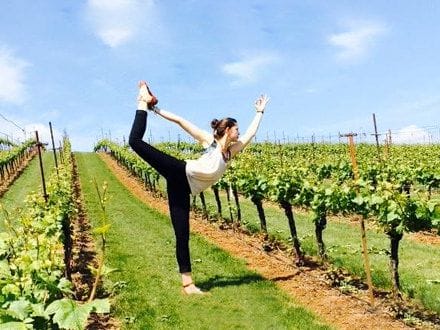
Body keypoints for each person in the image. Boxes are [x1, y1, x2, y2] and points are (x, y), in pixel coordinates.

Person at [129, 81, 269, 294]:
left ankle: (188, 285)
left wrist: (259, 112)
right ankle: (142, 101)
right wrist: (154, 108)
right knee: (135, 142)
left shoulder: (230, 153)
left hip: (183, 189)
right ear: (228, 130)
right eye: (236, 129)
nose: (239, 133)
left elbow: (250, 134)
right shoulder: (210, 142)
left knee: (182, 234)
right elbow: (181, 122)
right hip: (179, 171)